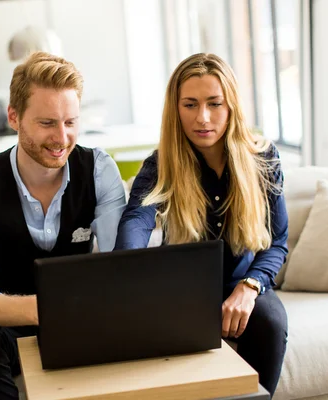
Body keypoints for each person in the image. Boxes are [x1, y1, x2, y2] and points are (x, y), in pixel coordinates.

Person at [0, 51, 126, 400]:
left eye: (70, 122)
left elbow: (120, 267)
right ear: (14, 117)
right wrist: (48, 310)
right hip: (12, 326)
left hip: (85, 319)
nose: (62, 138)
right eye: (47, 123)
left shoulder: (100, 170)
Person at [114, 53, 288, 397]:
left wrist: (250, 288)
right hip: (182, 291)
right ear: (175, 108)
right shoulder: (161, 163)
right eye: (190, 104)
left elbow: (277, 241)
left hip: (243, 283)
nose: (202, 118)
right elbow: (137, 219)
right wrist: (126, 267)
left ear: (231, 106)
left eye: (214, 103)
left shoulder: (263, 158)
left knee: (270, 322)